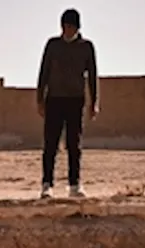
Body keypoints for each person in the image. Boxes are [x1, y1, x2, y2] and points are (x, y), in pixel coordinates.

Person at [36, 8, 99, 199]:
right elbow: (43, 72)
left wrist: (93, 102)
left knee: (74, 144)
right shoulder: (53, 45)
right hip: (54, 99)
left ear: (77, 27)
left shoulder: (86, 46)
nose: (67, 30)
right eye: (64, 26)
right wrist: (39, 99)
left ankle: (74, 184)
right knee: (51, 144)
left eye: (71, 26)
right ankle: (47, 185)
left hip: (75, 100)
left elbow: (93, 77)